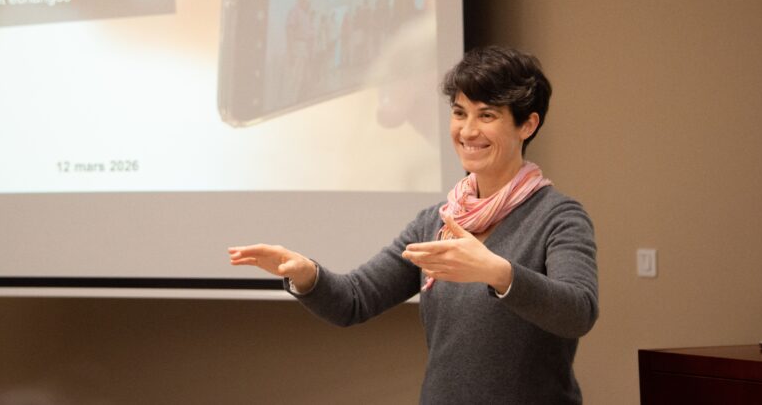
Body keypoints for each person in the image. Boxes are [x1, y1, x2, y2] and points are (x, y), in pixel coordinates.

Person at [228, 46, 599, 404]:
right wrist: (307, 276)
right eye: (459, 113)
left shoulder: (558, 216)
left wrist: (498, 272)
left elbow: (578, 311)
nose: (468, 131)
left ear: (527, 124)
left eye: (486, 115)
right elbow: (354, 300)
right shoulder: (434, 222)